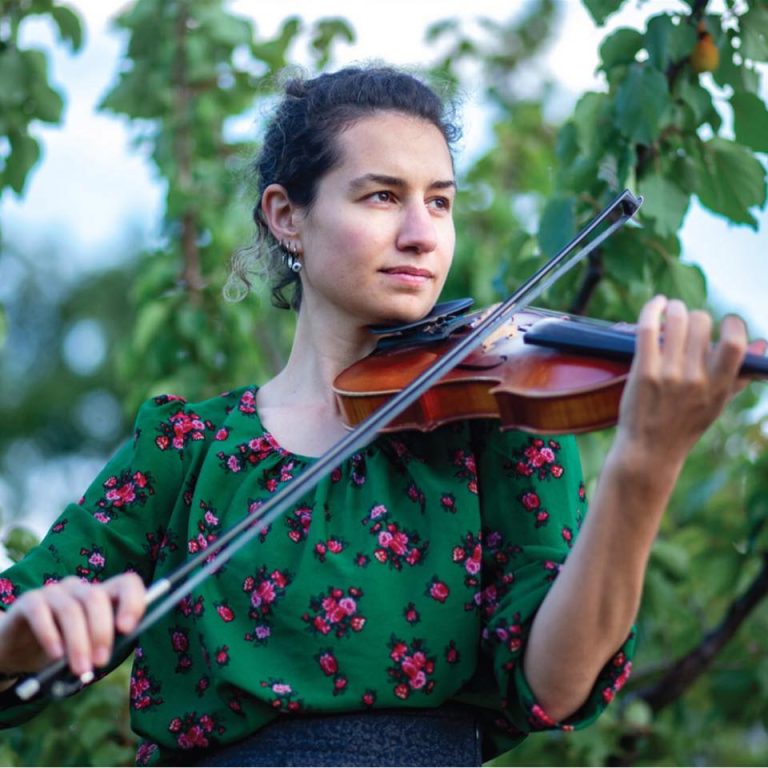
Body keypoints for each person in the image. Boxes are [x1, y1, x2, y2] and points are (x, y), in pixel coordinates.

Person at [0, 64, 754, 767]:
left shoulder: (497, 430)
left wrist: (645, 467)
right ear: (286, 217)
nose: (423, 234)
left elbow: (556, 684)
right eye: (382, 196)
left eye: (441, 200)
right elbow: (14, 620)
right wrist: (24, 636)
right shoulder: (184, 449)